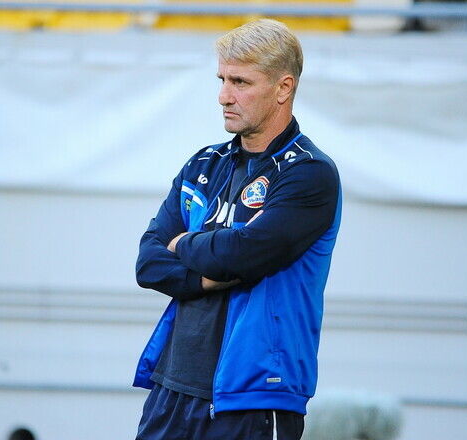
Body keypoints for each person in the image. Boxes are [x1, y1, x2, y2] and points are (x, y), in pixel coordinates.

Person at [132, 18, 342, 440]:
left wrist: (184, 243)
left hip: (255, 396)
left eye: (241, 82)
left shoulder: (310, 173)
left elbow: (243, 255)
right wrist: (213, 271)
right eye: (223, 80)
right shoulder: (203, 164)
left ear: (283, 88)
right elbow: (148, 263)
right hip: (172, 386)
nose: (224, 96)